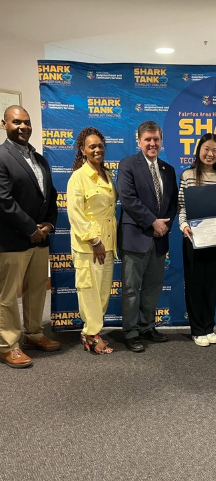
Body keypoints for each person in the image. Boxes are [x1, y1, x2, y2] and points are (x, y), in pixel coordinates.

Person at [0, 105, 60, 367]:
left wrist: (48, 224)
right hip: (11, 240)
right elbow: (3, 200)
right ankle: (7, 345)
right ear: (4, 124)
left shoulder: (40, 159)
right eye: (17, 122)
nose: (23, 126)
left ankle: (33, 334)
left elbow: (52, 196)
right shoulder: (1, 156)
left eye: (27, 122)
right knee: (8, 296)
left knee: (36, 289)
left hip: (40, 239)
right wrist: (30, 229)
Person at [117, 120, 178, 353]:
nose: (152, 143)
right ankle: (131, 332)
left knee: (153, 286)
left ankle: (147, 326)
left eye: (156, 139)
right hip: (136, 237)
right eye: (148, 139)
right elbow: (128, 198)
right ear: (139, 141)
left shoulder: (168, 170)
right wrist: (152, 222)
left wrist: (164, 226)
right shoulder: (127, 165)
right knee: (132, 288)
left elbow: (172, 204)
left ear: (161, 141)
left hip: (160, 237)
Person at [67, 127, 117, 354]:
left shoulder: (107, 174)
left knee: (102, 293)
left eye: (100, 145)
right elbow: (75, 214)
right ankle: (91, 335)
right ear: (83, 150)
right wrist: (94, 241)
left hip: (108, 244)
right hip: (90, 246)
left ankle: (91, 331)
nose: (97, 150)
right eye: (92, 146)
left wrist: (104, 243)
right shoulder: (78, 177)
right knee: (89, 293)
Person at [178, 134, 216, 347]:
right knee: (194, 283)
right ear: (199, 150)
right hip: (193, 238)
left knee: (210, 284)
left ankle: (209, 327)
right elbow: (181, 207)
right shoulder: (188, 175)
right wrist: (184, 226)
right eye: (206, 149)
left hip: (214, 238)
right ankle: (197, 329)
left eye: (215, 150)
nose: (210, 154)